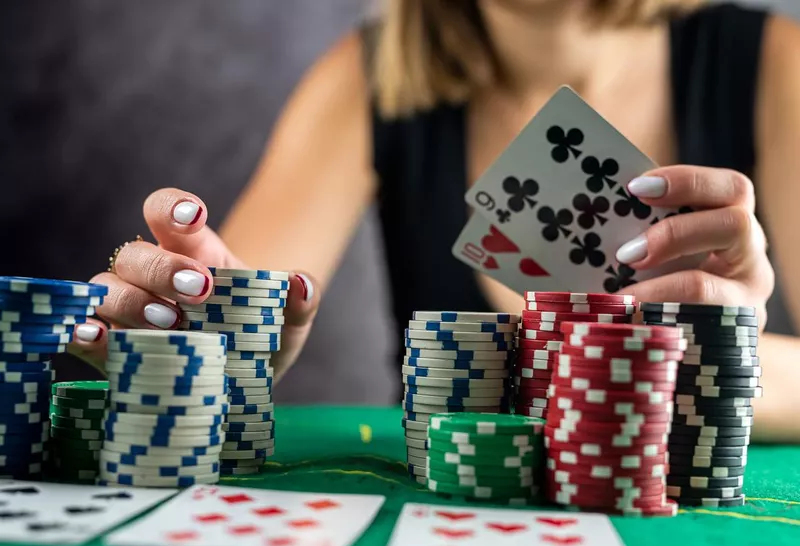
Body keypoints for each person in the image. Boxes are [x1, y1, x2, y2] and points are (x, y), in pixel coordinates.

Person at [69, 0, 800, 442]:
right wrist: (201, 340)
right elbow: (233, 323)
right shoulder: (366, 78)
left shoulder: (776, 63)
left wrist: (726, 365)